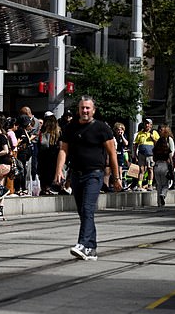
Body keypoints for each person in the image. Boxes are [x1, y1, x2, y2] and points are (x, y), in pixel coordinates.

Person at [54, 96, 120, 261]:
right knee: (83, 212)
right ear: (79, 110)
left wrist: (116, 177)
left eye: (87, 108)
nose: (84, 111)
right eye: (82, 108)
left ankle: (82, 244)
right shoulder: (71, 128)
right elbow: (63, 150)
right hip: (76, 174)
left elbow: (112, 154)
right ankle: (91, 248)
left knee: (87, 209)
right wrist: (59, 170)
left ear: (93, 110)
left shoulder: (102, 128)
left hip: (94, 174)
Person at [133, 118, 158, 191]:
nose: (146, 125)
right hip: (141, 154)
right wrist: (134, 154)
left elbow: (158, 143)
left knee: (150, 169)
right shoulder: (140, 133)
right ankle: (139, 185)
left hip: (150, 154)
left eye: (148, 123)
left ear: (151, 125)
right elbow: (136, 144)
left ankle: (150, 184)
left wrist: (153, 139)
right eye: (145, 123)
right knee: (141, 170)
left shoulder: (154, 132)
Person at [152, 125, 174, 207]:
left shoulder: (157, 145)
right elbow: (170, 157)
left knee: (159, 185)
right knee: (166, 184)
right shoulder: (167, 146)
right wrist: (171, 167)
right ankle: (163, 195)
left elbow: (154, 157)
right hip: (165, 165)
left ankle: (159, 203)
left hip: (157, 165)